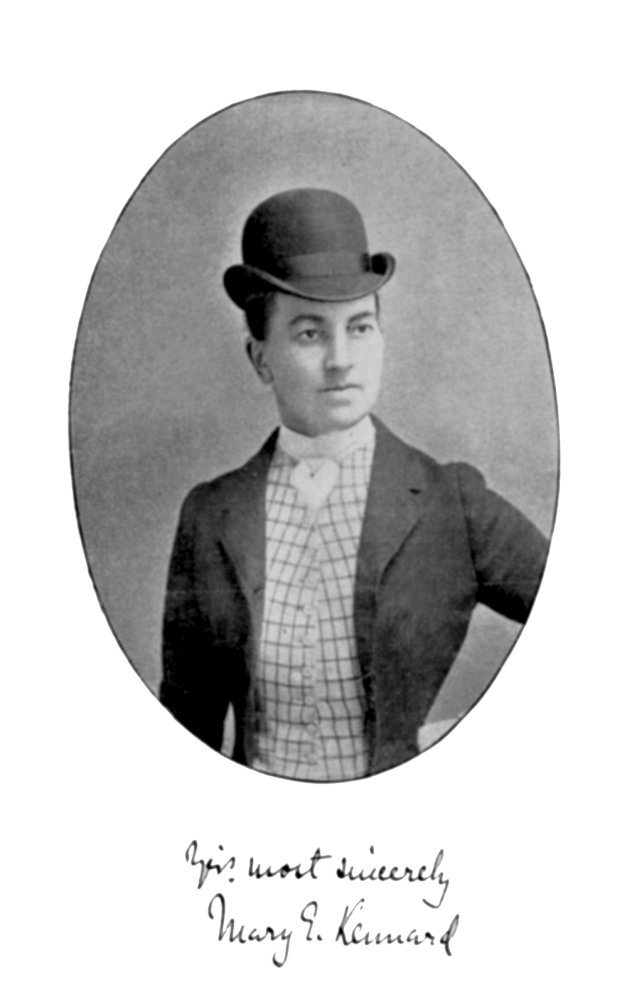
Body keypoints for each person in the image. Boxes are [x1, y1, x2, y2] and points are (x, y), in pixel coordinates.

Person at [160, 188, 549, 781]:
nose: (341, 359)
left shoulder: (451, 505)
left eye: (360, 327)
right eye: (309, 334)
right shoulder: (212, 516)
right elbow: (185, 728)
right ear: (260, 358)